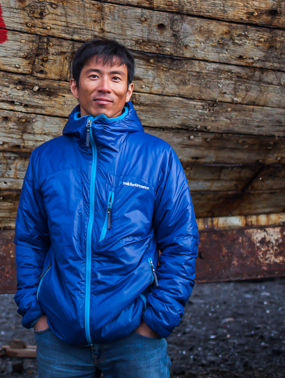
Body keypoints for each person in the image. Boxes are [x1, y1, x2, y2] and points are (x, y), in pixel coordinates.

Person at [13, 39, 198, 378]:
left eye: (115, 78)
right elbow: (30, 238)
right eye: (93, 75)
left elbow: (180, 241)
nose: (104, 87)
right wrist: (36, 314)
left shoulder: (157, 156)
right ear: (74, 86)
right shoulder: (46, 158)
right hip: (60, 336)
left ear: (129, 90)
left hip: (135, 337)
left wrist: (157, 320)